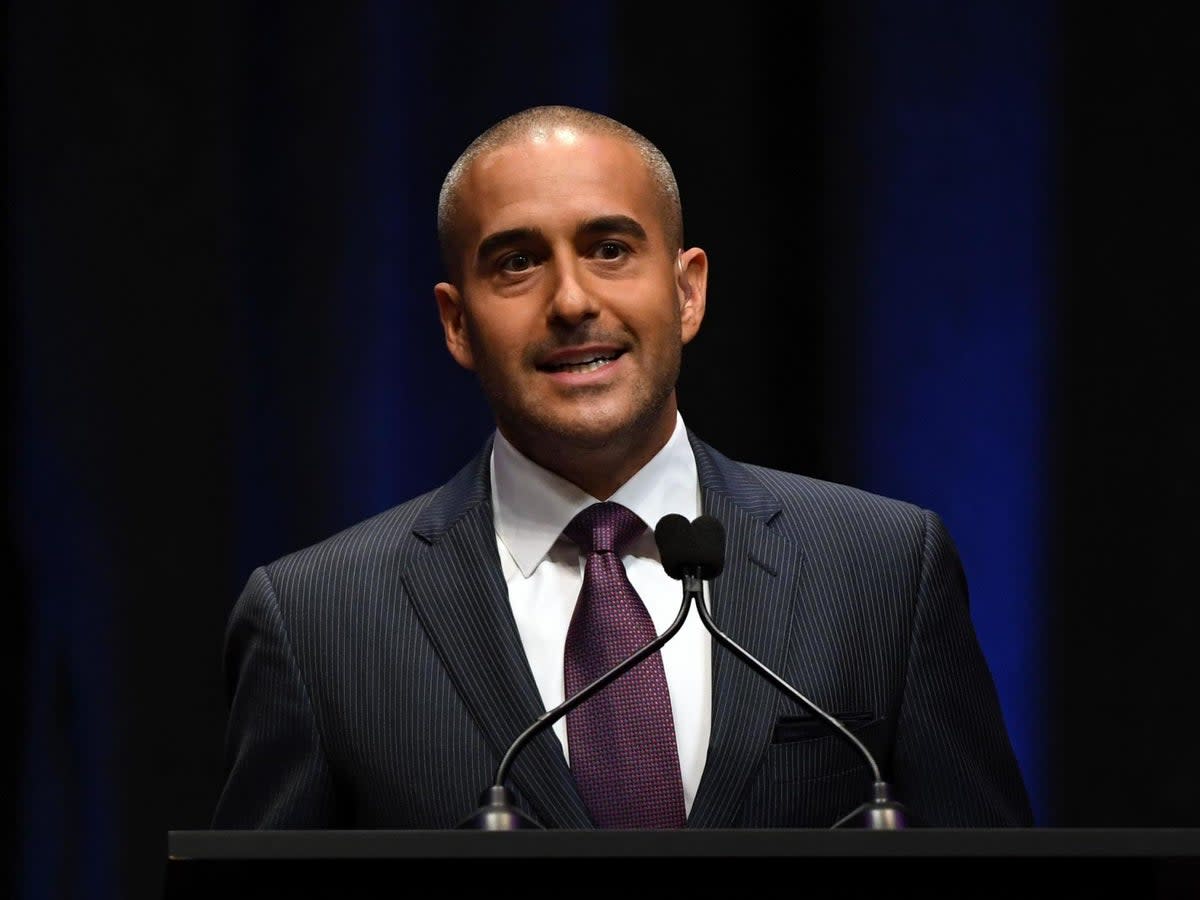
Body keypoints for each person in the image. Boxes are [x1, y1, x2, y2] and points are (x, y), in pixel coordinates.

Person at [211, 104, 1033, 830]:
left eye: (609, 249)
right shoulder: (317, 621)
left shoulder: (883, 569)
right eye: (516, 263)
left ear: (688, 292)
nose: (570, 301)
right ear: (456, 324)